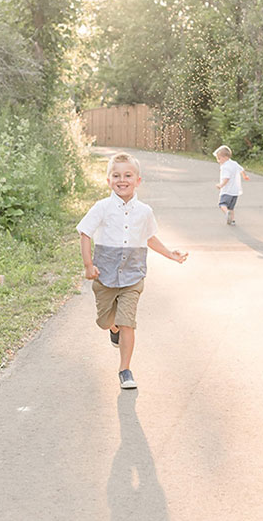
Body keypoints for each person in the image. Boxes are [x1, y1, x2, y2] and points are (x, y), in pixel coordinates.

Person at [78, 152, 188, 390]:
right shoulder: (102, 207)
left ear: (138, 180)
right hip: (104, 276)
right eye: (116, 175)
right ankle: (113, 329)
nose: (122, 179)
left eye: (128, 175)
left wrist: (170, 254)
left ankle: (125, 370)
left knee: (128, 321)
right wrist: (88, 265)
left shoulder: (144, 211)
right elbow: (85, 232)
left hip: (133, 276)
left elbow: (149, 237)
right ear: (108, 181)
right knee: (105, 320)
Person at [214, 145, 249, 226]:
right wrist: (245, 176)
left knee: (222, 204)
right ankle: (232, 220)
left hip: (227, 191)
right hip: (235, 191)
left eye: (219, 158)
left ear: (225, 157)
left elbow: (226, 178)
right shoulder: (234, 163)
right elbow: (242, 169)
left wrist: (221, 185)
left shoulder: (225, 167)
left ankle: (227, 213)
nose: (218, 161)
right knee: (231, 207)